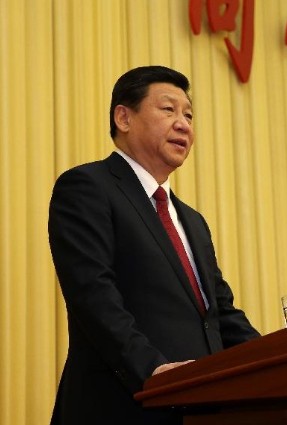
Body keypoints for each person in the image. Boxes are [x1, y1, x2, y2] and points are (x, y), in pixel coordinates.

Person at [48, 65, 260, 425]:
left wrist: (279, 361)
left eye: (189, 115)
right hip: (121, 405)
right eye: (169, 110)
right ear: (124, 117)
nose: (184, 124)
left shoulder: (192, 221)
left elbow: (221, 315)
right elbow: (93, 295)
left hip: (199, 410)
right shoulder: (87, 187)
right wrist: (154, 370)